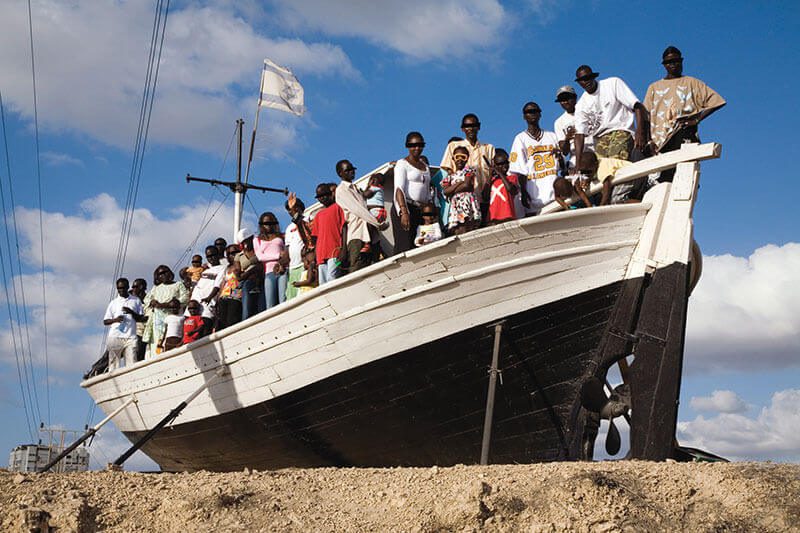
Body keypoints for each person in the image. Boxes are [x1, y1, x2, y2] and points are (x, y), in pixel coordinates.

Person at [644, 46, 726, 175]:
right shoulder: (654, 87)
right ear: (664, 65)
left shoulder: (692, 83)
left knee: (684, 174)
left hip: (683, 132)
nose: (673, 64)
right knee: (662, 180)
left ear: (681, 61)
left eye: (676, 61)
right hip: (659, 141)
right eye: (669, 62)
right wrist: (649, 141)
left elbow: (716, 101)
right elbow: (646, 116)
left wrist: (697, 119)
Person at [572, 64, 648, 193]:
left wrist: (640, 132)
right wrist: (578, 165)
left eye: (589, 77)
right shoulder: (581, 105)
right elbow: (579, 135)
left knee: (614, 165)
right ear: (579, 83)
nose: (587, 81)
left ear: (594, 77)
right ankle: (606, 201)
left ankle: (622, 196)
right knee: (599, 173)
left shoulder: (612, 84)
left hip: (620, 131)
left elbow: (637, 106)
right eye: (583, 80)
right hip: (600, 139)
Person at [509, 102, 562, 216]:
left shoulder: (552, 136)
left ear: (540, 114)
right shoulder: (520, 139)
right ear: (524, 116)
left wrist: (560, 158)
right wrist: (523, 192)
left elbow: (563, 167)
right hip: (533, 196)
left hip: (554, 195)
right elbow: (519, 170)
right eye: (529, 112)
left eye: (535, 111)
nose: (532, 114)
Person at [439, 114, 495, 221]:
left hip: (484, 199)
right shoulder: (454, 146)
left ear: (478, 127)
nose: (471, 129)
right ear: (463, 129)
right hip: (461, 200)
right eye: (467, 126)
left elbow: (493, 172)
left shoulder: (488, 148)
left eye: (474, 125)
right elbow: (448, 172)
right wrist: (462, 185)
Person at [335, 159, 387, 273]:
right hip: (357, 235)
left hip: (369, 234)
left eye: (352, 169)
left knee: (372, 270)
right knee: (357, 269)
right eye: (347, 170)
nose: (351, 172)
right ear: (340, 173)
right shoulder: (342, 190)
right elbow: (358, 210)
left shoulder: (356, 188)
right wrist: (377, 223)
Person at [393, 131, 433, 254]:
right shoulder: (402, 164)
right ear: (407, 146)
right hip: (406, 207)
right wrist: (403, 211)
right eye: (413, 145)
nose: (416, 148)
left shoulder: (425, 166)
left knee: (421, 244)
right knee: (405, 245)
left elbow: (427, 190)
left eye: (420, 145)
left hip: (421, 210)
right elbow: (398, 189)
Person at [142, 266, 189, 359]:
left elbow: (185, 298)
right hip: (157, 321)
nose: (163, 275)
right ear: (157, 277)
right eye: (160, 274)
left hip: (173, 318)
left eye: (165, 272)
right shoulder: (156, 288)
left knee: (171, 342)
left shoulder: (178, 285)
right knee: (157, 343)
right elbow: (146, 300)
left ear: (170, 272)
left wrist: (166, 305)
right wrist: (152, 302)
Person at [102, 277, 144, 371]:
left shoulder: (136, 300)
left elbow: (141, 318)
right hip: (115, 336)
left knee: (132, 363)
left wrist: (131, 312)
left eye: (123, 288)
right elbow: (105, 321)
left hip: (130, 337)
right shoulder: (114, 303)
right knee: (113, 365)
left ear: (127, 287)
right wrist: (115, 320)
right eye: (119, 288)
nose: (121, 290)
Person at [311, 183, 346, 285]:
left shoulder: (338, 207)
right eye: (319, 197)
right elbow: (315, 238)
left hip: (335, 252)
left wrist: (343, 249)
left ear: (331, 194)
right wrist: (315, 257)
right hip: (321, 256)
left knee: (333, 278)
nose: (322, 198)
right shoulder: (318, 215)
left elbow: (344, 228)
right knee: (323, 283)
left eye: (324, 195)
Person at [441, 146, 481, 234]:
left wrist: (452, 190)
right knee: (457, 228)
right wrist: (460, 183)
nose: (460, 160)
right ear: (453, 158)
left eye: (463, 157)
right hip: (456, 205)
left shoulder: (469, 170)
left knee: (467, 225)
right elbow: (445, 191)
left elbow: (466, 185)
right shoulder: (449, 177)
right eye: (457, 157)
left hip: (467, 202)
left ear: (467, 158)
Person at [553, 85, 592, 171]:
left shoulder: (587, 110)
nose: (565, 102)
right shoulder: (559, 122)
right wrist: (567, 139)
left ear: (575, 98)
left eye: (568, 98)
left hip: (594, 152)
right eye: (562, 100)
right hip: (575, 160)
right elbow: (565, 152)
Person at [254, 212, 287, 309]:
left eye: (270, 223)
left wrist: (282, 260)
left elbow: (286, 252)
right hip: (269, 272)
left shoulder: (281, 236)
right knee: (270, 303)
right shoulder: (257, 239)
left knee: (283, 299)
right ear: (261, 225)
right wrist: (278, 255)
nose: (268, 226)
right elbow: (260, 256)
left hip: (282, 269)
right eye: (265, 223)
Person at [284, 193, 312, 301]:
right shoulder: (288, 228)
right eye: (289, 209)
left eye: (293, 207)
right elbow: (287, 249)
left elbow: (309, 235)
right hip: (292, 267)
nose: (291, 211)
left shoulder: (309, 218)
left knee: (304, 295)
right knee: (292, 298)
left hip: (304, 265)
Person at [235, 228, 265, 319]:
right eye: (242, 242)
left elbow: (261, 266)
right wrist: (250, 270)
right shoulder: (239, 256)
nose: (245, 244)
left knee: (261, 307)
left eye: (246, 241)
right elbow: (238, 272)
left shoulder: (260, 248)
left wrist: (247, 272)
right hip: (247, 282)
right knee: (247, 309)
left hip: (261, 280)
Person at [190, 245, 225, 321]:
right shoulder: (205, 270)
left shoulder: (223, 268)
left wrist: (209, 297)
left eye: (213, 255)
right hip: (194, 303)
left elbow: (217, 286)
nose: (211, 258)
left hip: (207, 304)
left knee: (204, 325)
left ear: (218, 255)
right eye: (208, 256)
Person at [486, 149, 519, 224]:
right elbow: (485, 196)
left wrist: (500, 174)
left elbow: (511, 189)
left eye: (506, 163)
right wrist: (490, 176)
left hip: (507, 216)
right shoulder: (492, 180)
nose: (504, 165)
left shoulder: (512, 178)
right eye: (500, 164)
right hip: (493, 218)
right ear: (495, 165)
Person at [216, 244, 243, 331]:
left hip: (236, 295)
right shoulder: (226, 268)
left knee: (232, 320)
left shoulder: (241, 264)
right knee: (223, 321)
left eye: (235, 252)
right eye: (230, 253)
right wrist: (218, 297)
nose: (233, 255)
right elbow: (223, 283)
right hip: (224, 296)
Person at [129, 278, 148, 361]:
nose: (133, 289)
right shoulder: (132, 301)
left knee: (139, 356)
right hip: (132, 332)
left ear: (141, 287)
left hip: (143, 333)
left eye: (134, 287)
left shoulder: (148, 299)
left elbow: (146, 318)